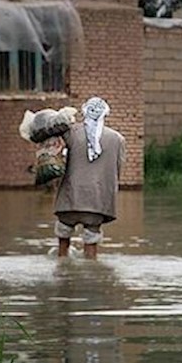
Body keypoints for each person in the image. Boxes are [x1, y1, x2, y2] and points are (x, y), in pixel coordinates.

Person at [53, 96, 126, 259]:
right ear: (104, 114)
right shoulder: (117, 139)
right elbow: (117, 170)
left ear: (85, 112)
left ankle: (62, 269)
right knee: (91, 244)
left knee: (63, 242)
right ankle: (90, 274)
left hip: (69, 199)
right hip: (97, 201)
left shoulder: (71, 133)